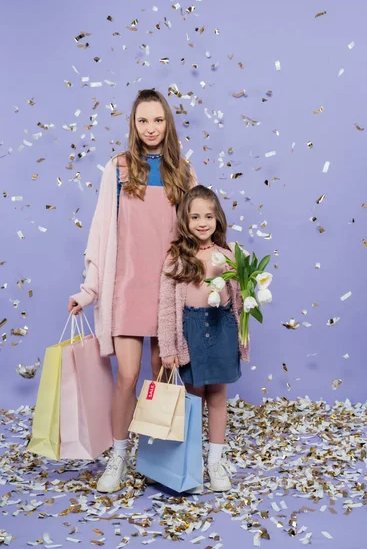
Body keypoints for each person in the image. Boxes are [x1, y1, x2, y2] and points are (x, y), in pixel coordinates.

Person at [68, 88, 197, 493]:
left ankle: (158, 457)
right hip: (126, 288)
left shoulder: (185, 172)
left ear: (167, 123)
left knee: (162, 377)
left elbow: (198, 231)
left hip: (168, 291)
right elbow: (101, 232)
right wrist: (89, 291)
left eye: (158, 120)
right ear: (133, 125)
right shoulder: (118, 169)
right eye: (143, 120)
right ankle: (119, 457)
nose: (151, 128)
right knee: (127, 376)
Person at [158, 185, 249, 492]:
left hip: (221, 326)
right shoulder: (176, 258)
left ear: (217, 219)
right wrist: (168, 347)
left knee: (218, 396)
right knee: (194, 397)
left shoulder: (228, 256)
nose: (202, 222)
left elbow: (241, 300)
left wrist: (247, 276)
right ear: (185, 219)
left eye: (208, 216)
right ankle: (193, 462)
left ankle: (216, 461)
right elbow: (167, 307)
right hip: (190, 330)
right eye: (195, 216)